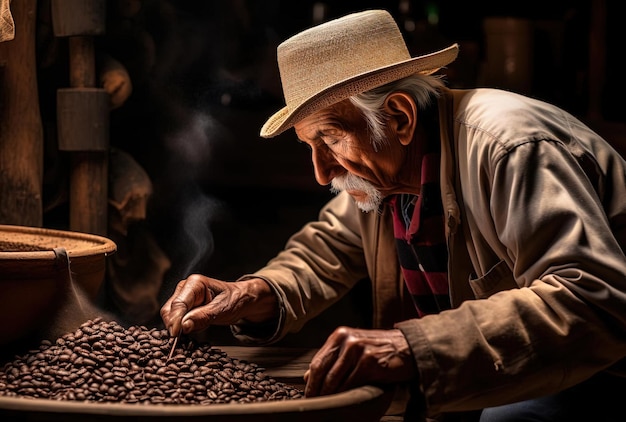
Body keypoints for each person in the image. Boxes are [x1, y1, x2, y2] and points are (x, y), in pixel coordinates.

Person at [160, 9, 626, 422]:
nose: (322, 173)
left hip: (596, 369)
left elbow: (590, 298)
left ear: (399, 117)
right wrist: (253, 292)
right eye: (310, 148)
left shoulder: (508, 147)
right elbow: (323, 252)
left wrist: (410, 346)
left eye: (331, 139)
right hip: (500, 371)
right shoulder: (385, 174)